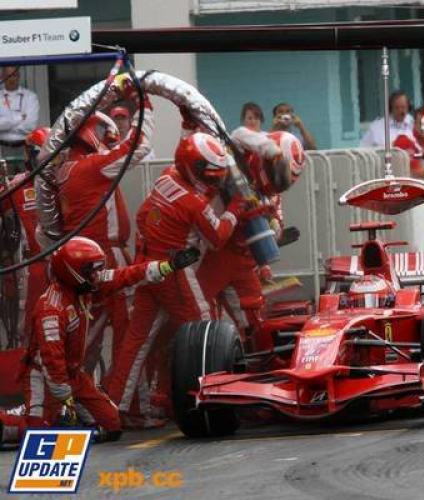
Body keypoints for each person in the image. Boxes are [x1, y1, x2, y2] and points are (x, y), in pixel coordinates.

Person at [104, 131, 253, 425]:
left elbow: (143, 217)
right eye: (209, 175)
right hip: (173, 272)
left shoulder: (165, 178)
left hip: (146, 267)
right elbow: (219, 236)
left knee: (137, 342)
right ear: (191, 166)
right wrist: (234, 209)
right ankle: (209, 400)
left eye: (218, 175)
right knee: (205, 333)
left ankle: (117, 406)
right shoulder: (192, 203)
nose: (214, 180)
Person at [0, 237, 197, 445]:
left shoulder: (87, 285)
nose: (96, 275)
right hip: (45, 377)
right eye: (91, 270)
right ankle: (10, 419)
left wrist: (167, 266)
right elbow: (52, 359)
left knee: (112, 425)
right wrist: (65, 400)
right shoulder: (51, 310)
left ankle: (46, 415)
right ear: (73, 271)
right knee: (39, 437)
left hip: (74, 375)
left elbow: (127, 275)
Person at [56, 90, 155, 375]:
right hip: (105, 256)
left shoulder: (66, 169)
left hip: (81, 260)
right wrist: (144, 108)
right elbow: (140, 145)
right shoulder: (91, 167)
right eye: (103, 132)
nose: (107, 140)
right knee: (127, 332)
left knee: (90, 331)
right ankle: (129, 408)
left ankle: (79, 394)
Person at [199, 129, 304, 353]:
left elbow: (277, 229)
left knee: (254, 324)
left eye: (287, 180)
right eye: (279, 173)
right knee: (198, 321)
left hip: (243, 263)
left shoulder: (273, 195)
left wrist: (267, 222)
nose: (280, 182)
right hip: (207, 254)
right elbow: (238, 134)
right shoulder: (236, 163)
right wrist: (274, 153)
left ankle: (255, 374)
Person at [0, 127, 50, 343]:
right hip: (29, 267)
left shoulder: (64, 182)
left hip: (60, 264)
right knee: (24, 327)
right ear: (30, 153)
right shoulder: (15, 187)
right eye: (41, 152)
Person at [0, 66, 40, 144]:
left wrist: (5, 125)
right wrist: (20, 118)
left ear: (19, 76)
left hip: (24, 145)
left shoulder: (30, 96)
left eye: (14, 75)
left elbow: (30, 126)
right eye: (8, 76)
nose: (11, 79)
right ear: (2, 77)